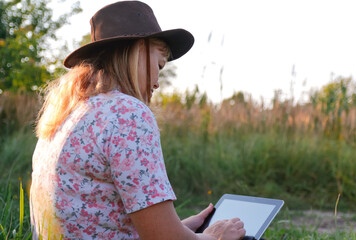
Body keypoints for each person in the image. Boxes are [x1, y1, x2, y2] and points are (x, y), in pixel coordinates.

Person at [30, 1, 246, 239]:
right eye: (159, 65)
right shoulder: (127, 114)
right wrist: (213, 236)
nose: (157, 82)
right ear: (138, 50)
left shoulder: (66, 116)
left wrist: (181, 229)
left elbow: (97, 219)